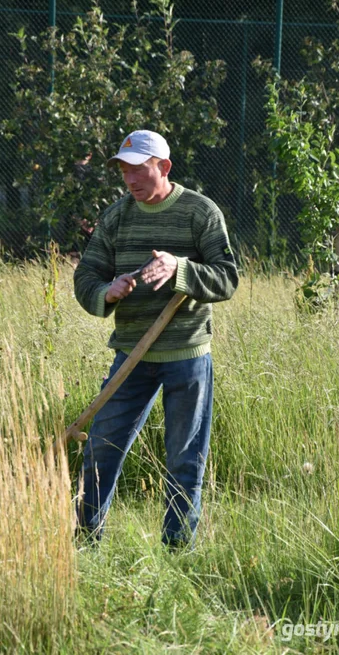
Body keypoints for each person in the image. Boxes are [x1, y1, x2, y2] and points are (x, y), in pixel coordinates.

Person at [73, 129, 239, 547]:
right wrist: (104, 293)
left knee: (185, 458)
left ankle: (177, 550)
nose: (130, 180)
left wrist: (180, 269)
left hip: (187, 356)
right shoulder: (116, 216)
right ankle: (86, 542)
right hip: (131, 356)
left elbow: (227, 278)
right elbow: (86, 276)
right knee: (101, 449)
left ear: (163, 167)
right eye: (124, 171)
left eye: (138, 169)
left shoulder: (200, 212)